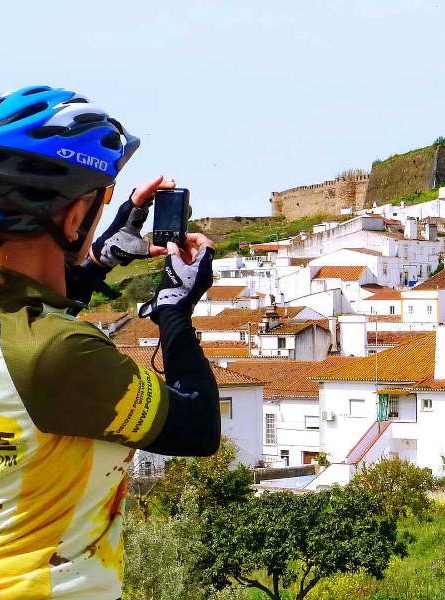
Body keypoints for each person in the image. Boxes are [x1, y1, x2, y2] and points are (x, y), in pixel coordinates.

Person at [0, 86, 220, 599]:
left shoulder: (34, 340)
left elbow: (28, 316)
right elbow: (198, 426)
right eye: (98, 203)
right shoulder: (59, 354)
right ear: (74, 216)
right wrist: (173, 309)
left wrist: (100, 257)